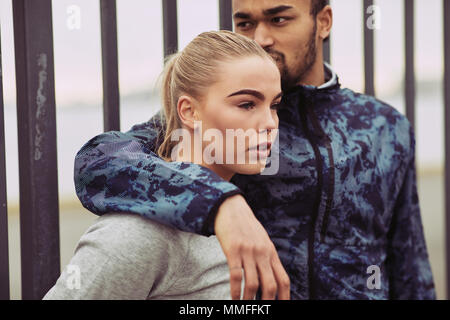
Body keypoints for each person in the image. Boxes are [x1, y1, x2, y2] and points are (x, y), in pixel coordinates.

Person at [74, 0, 436, 300]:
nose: (261, 38)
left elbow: (409, 265)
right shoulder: (218, 124)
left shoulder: (384, 127)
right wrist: (221, 203)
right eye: (245, 23)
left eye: (279, 19)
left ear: (323, 21)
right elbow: (100, 160)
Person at [44, 31, 289, 300]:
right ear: (189, 112)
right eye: (247, 104)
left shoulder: (244, 200)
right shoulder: (140, 232)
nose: (270, 123)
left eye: (274, 105)